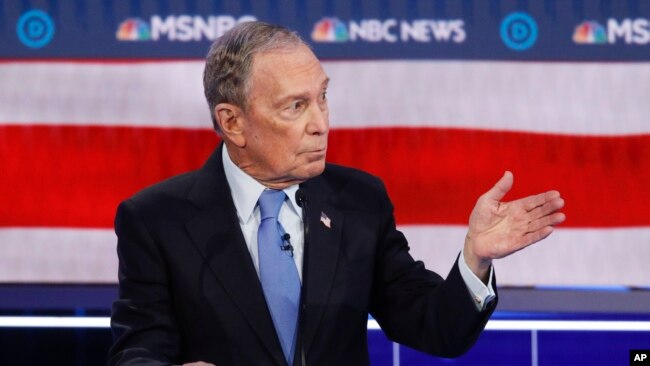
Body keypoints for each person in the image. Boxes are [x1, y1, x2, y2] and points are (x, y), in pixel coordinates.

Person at [109, 21, 565, 366]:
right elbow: (138, 349)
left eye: (322, 97)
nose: (321, 123)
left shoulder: (358, 201)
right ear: (233, 123)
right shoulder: (156, 220)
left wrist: (475, 260)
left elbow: (435, 327)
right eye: (296, 106)